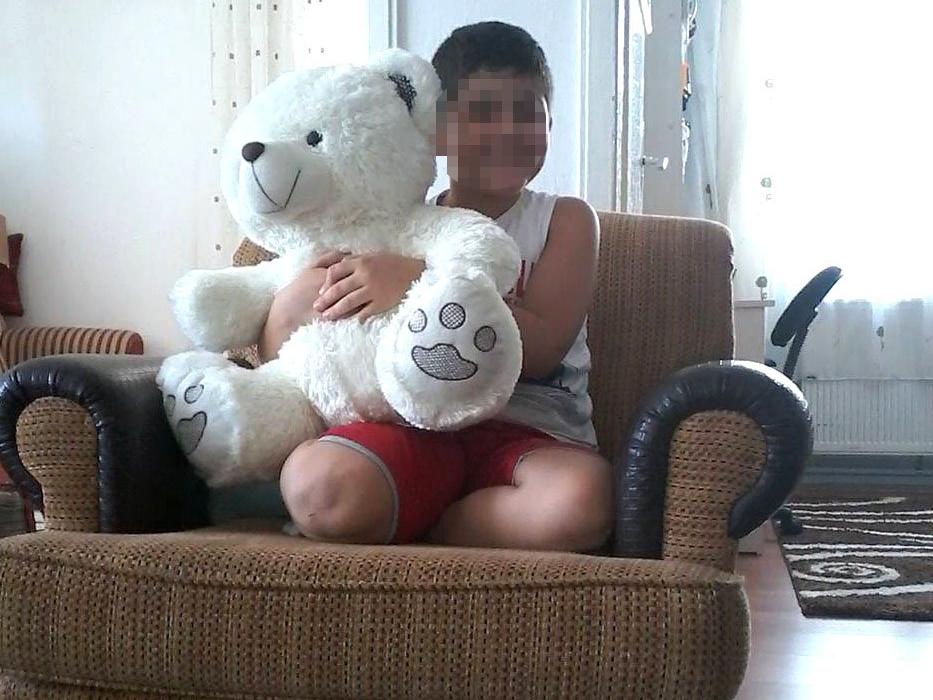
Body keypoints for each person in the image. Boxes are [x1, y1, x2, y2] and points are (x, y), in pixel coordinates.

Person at [260, 21, 613, 552]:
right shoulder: (396, 227)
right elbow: (284, 342)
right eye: (483, 112)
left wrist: (415, 280)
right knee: (317, 488)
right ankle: (417, 504)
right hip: (412, 426)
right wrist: (301, 295)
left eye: (527, 112)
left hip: (534, 436)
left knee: (581, 505)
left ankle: (432, 520)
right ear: (438, 131)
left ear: (550, 123)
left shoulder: (564, 220)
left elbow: (541, 350)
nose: (507, 130)